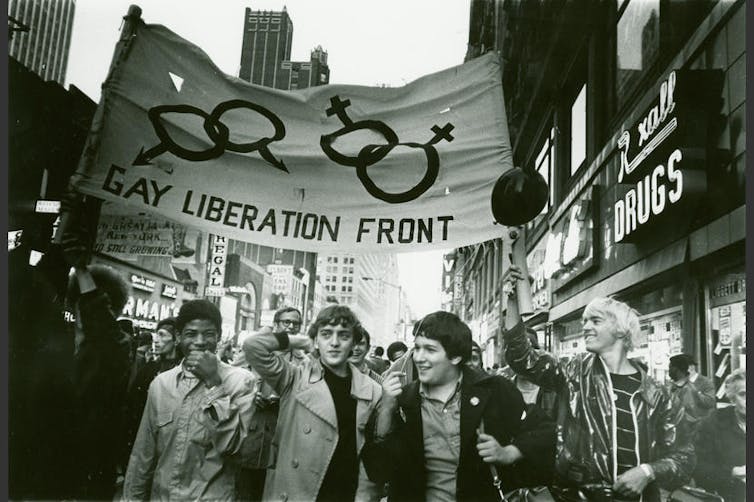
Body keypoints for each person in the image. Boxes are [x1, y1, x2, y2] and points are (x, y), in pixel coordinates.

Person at [502, 264, 694, 502]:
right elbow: (524, 359)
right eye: (584, 321)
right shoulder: (574, 373)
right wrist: (512, 300)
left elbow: (684, 456)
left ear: (621, 329)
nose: (585, 327)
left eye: (595, 320)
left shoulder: (657, 394)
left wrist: (647, 472)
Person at [363, 311, 556, 502]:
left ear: (455, 357)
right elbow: (378, 471)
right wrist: (386, 409)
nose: (419, 358)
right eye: (417, 348)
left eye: (430, 350)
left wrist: (508, 453)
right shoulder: (403, 401)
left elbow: (543, 430)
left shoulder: (494, 390)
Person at [243, 305, 383, 502]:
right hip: (296, 492)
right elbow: (252, 346)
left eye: (343, 336)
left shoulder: (372, 390)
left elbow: (369, 453)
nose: (334, 343)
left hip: (344, 492)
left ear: (353, 343)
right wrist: (300, 340)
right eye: (326, 334)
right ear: (316, 340)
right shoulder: (294, 377)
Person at [123, 299, 255, 501]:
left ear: (218, 336)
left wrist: (214, 383)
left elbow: (233, 448)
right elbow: (143, 455)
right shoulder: (161, 384)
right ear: (178, 337)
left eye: (208, 334)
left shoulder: (241, 382)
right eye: (191, 334)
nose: (200, 341)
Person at [234, 306, 304, 502]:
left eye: (295, 323)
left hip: (283, 438)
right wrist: (249, 396)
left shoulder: (305, 361)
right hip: (250, 436)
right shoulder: (254, 351)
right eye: (286, 322)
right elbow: (230, 383)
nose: (291, 327)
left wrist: (284, 399)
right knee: (245, 493)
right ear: (275, 325)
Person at [121, 317, 181, 469]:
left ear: (176, 340)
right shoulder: (149, 369)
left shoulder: (183, 372)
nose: (156, 340)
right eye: (156, 335)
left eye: (162, 335)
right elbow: (132, 402)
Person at [694, 368, 745, 501]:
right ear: (732, 398)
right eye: (743, 394)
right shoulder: (714, 423)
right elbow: (698, 469)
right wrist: (731, 472)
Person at [668, 354, 716, 429]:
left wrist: (695, 392)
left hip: (699, 428)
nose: (669, 371)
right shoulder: (675, 385)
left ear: (690, 367)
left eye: (671, 368)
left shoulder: (706, 382)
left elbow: (710, 402)